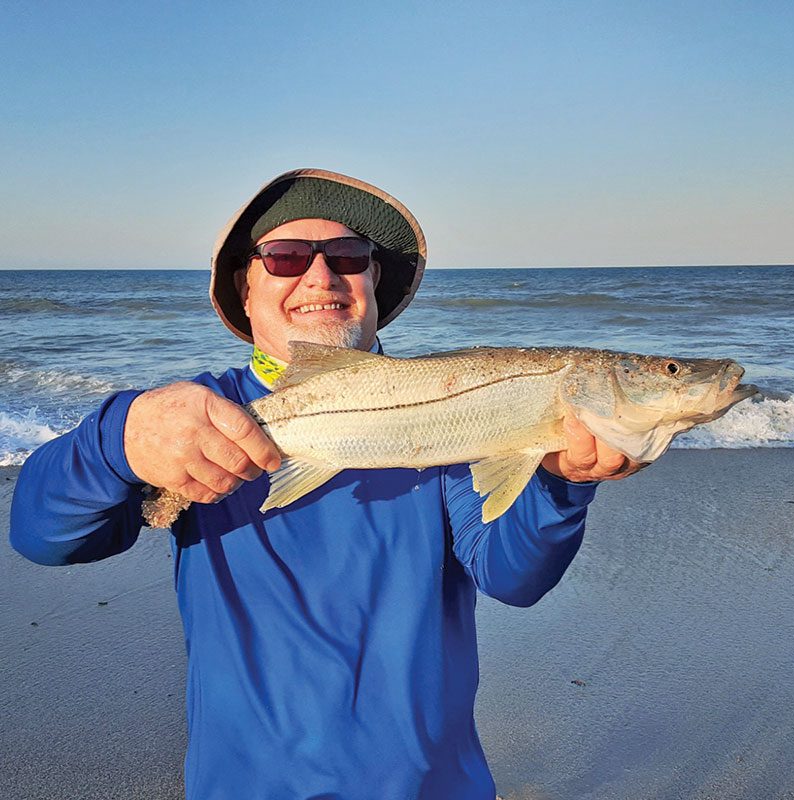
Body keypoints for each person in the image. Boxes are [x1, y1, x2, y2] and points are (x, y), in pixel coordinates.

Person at [10, 169, 640, 800]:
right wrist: (116, 438)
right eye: (284, 258)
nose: (321, 277)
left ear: (372, 282)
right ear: (245, 290)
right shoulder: (195, 419)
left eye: (348, 257)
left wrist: (560, 486)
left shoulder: (451, 411)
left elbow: (514, 577)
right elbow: (43, 536)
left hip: (436, 787)